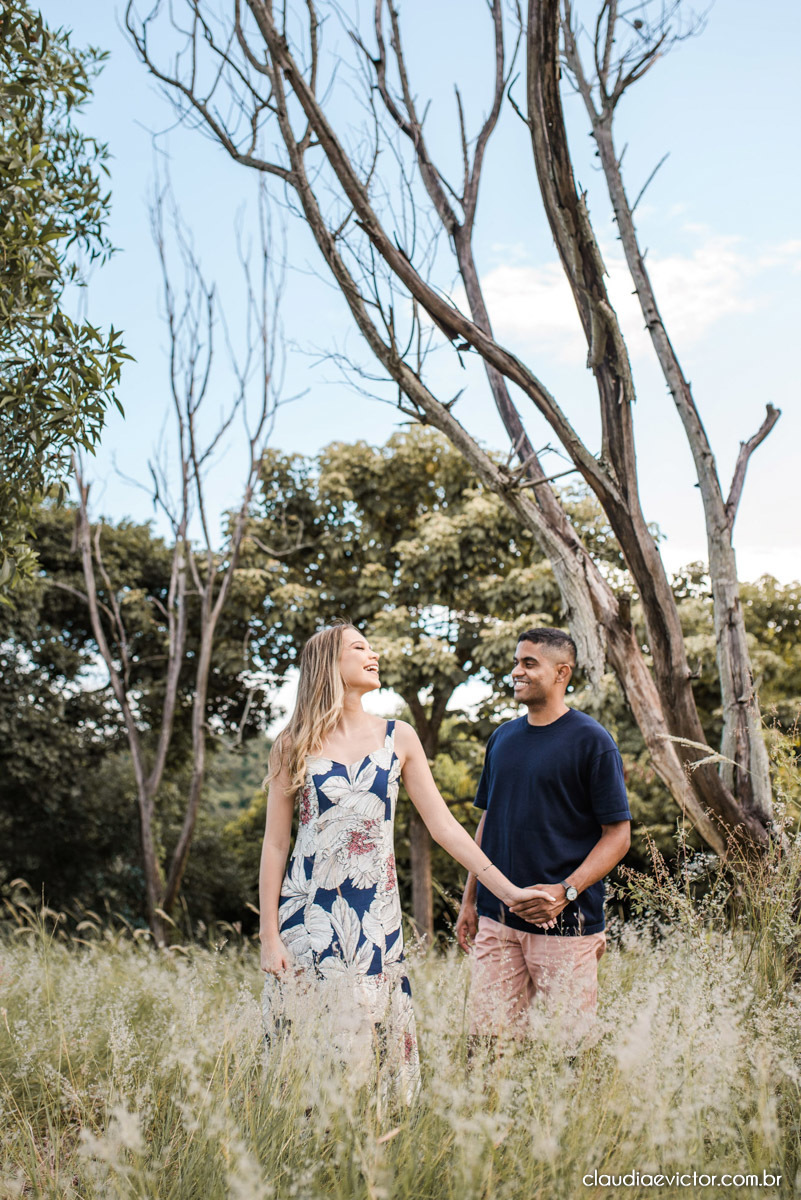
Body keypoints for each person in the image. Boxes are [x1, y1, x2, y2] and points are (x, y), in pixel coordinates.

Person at [258, 620, 554, 1104]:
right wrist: (269, 936)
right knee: (308, 1053)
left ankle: (368, 1155)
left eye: (371, 646)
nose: (372, 654)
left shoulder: (399, 737)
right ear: (329, 664)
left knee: (367, 1053)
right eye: (359, 647)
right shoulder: (293, 743)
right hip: (305, 918)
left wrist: (509, 891)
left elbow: (444, 828)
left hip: (374, 918)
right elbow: (274, 845)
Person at [455, 627, 632, 1039]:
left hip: (566, 926)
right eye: (517, 662)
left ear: (561, 673)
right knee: (485, 1048)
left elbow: (618, 837)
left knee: (570, 1052)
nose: (516, 671)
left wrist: (565, 892)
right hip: (497, 920)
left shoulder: (593, 741)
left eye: (528, 663)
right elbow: (488, 823)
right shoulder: (502, 738)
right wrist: (470, 900)